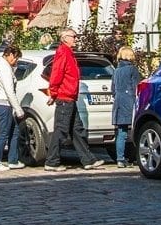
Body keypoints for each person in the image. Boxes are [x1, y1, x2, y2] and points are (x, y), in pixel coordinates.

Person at [44, 27, 105, 172]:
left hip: (70, 97)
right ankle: (52, 161)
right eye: (73, 36)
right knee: (61, 130)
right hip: (65, 97)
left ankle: (88, 160)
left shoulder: (69, 53)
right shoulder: (63, 53)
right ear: (64, 38)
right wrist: (54, 93)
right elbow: (56, 74)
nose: (76, 39)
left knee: (77, 129)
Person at [0, 45, 26, 172]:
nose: (16, 61)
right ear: (10, 55)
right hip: (3, 103)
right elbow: (9, 91)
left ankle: (13, 160)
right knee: (3, 133)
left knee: (14, 131)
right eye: (15, 58)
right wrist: (18, 109)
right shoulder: (4, 68)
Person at [111, 46, 142, 168]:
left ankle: (120, 159)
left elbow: (113, 89)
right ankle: (138, 157)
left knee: (121, 132)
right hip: (130, 101)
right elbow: (137, 87)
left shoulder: (116, 71)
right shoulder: (132, 69)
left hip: (118, 102)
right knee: (138, 130)